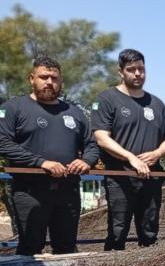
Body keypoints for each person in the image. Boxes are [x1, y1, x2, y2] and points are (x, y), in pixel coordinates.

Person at [0, 56, 99, 255]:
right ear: (31, 78)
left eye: (54, 78)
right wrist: (41, 162)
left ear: (61, 81)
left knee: (66, 247)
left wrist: (86, 160)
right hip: (29, 191)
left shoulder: (75, 112)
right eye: (44, 77)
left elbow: (92, 144)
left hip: (68, 190)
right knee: (30, 247)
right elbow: (3, 143)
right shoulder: (13, 108)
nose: (49, 82)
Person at [91, 48, 165, 250]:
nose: (137, 74)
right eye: (131, 69)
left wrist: (157, 153)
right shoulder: (106, 99)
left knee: (150, 232)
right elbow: (101, 137)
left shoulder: (157, 104)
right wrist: (131, 158)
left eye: (141, 69)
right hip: (120, 178)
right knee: (118, 231)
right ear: (120, 72)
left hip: (152, 178)